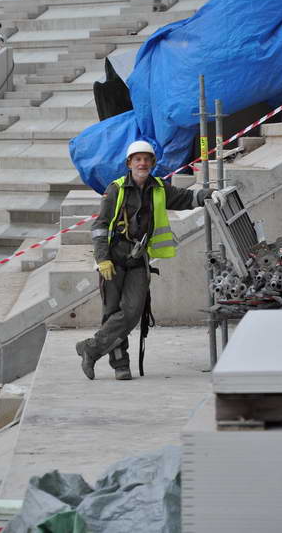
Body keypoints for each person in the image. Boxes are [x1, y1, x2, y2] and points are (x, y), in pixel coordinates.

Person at [75, 140, 212, 381]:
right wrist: (102, 258)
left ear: (152, 163)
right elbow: (99, 226)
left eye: (147, 159)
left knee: (132, 311)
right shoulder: (116, 189)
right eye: (137, 159)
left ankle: (91, 348)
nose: (142, 163)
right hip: (114, 260)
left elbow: (185, 198)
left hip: (138, 260)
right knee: (112, 311)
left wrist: (209, 196)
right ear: (129, 163)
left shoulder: (159, 188)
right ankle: (120, 365)